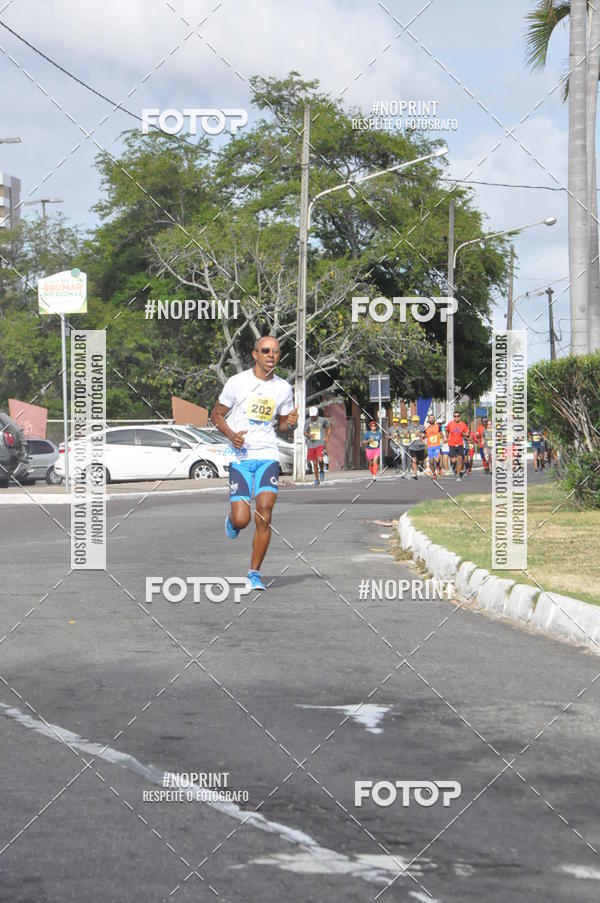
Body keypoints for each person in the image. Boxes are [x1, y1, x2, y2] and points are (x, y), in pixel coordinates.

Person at [210, 336, 298, 591]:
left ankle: (254, 573)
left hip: (268, 454)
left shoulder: (283, 388)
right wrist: (231, 435)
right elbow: (216, 414)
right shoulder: (237, 383)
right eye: (266, 351)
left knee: (264, 513)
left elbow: (281, 425)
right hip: (241, 457)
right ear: (255, 354)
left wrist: (289, 422)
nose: (271, 355)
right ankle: (233, 521)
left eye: (276, 352)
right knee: (242, 519)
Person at [304, 405, 330, 485]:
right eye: (312, 416)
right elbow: (304, 432)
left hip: (320, 443)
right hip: (311, 445)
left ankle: (321, 470)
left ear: (317, 414)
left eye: (314, 415)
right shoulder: (307, 421)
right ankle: (316, 479)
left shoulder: (322, 420)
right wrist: (309, 436)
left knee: (320, 460)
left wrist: (327, 436)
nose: (313, 417)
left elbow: (328, 427)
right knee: (314, 463)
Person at [445, 410, 469, 481]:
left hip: (460, 444)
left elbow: (467, 433)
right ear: (453, 417)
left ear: (460, 417)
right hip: (452, 444)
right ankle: (453, 466)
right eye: (455, 416)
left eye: (458, 416)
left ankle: (458, 475)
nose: (456, 417)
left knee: (460, 459)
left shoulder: (463, 424)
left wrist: (465, 434)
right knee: (453, 460)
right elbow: (447, 430)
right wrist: (447, 437)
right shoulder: (450, 424)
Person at [424, 413, 442, 479]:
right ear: (428, 419)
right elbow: (422, 435)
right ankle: (434, 474)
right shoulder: (426, 427)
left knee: (437, 460)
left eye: (432, 418)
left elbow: (441, 434)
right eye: (430, 418)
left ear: (434, 419)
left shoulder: (438, 426)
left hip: (437, 445)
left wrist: (441, 438)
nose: (431, 419)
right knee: (431, 461)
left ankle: (439, 467)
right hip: (430, 447)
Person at [408, 414, 426, 480]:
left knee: (420, 460)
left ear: (418, 421)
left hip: (420, 446)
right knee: (414, 460)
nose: (415, 422)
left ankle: (420, 464)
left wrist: (420, 434)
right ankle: (415, 475)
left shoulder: (422, 427)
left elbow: (425, 435)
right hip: (412, 446)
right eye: (414, 421)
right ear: (412, 421)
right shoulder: (409, 427)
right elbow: (406, 434)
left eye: (416, 421)